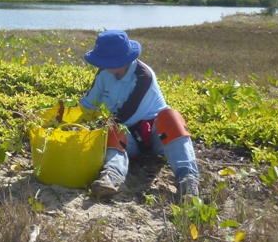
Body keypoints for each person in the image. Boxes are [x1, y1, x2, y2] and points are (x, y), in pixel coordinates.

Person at [76, 30, 200, 200]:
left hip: (158, 135)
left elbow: (126, 114)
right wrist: (66, 117)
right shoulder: (103, 73)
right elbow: (88, 105)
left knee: (171, 117)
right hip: (128, 139)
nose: (102, 64)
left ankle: (188, 180)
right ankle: (111, 177)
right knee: (114, 128)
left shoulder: (143, 76)